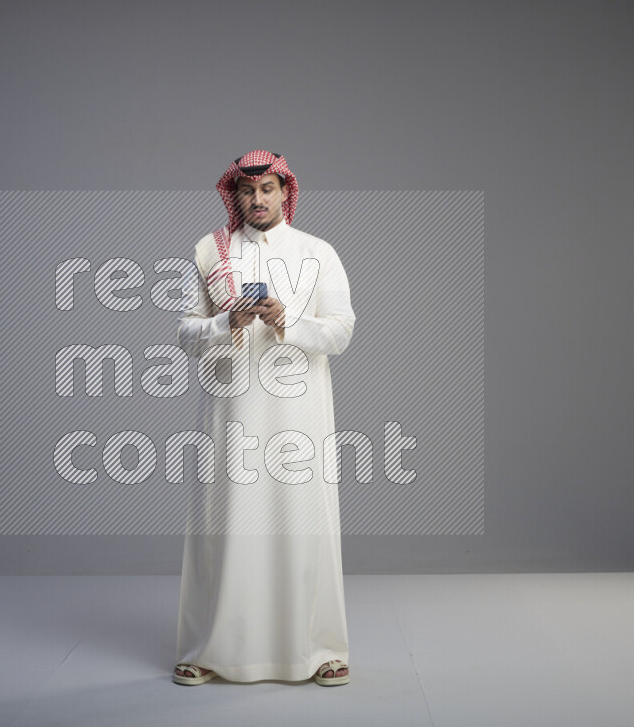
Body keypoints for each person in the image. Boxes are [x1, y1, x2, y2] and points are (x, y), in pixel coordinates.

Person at [173, 150, 355, 686]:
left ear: (285, 193)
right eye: (248, 191)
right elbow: (185, 332)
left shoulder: (318, 253)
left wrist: (288, 319)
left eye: (268, 189)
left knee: (303, 523)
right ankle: (208, 649)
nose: (258, 200)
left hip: (299, 416)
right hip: (229, 414)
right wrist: (225, 321)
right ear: (235, 195)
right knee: (222, 526)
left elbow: (341, 331)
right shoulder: (211, 252)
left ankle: (319, 649)